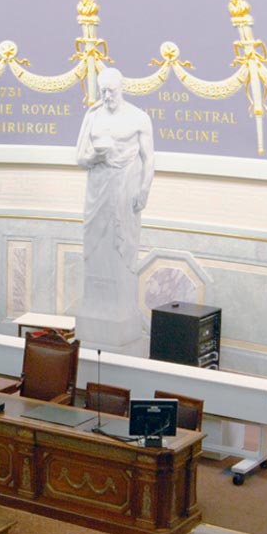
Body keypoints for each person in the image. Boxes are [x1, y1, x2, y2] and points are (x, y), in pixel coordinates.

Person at [74, 67, 155, 350]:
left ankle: (119, 309)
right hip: (97, 187)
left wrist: (144, 189)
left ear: (122, 88)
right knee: (94, 242)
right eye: (103, 91)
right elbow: (79, 158)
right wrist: (96, 156)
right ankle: (97, 308)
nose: (107, 96)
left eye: (112, 91)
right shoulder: (92, 116)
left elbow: (149, 158)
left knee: (120, 246)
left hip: (125, 188)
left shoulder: (138, 117)